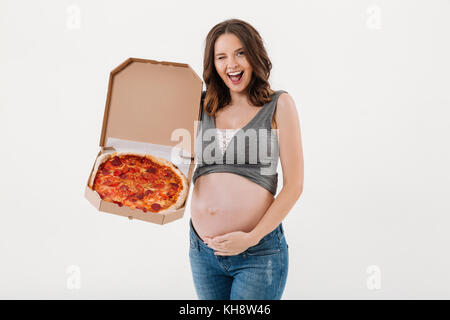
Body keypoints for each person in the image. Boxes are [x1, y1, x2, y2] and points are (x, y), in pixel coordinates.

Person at [189, 18, 304, 300]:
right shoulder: (199, 104)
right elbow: (165, 154)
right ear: (212, 64)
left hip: (258, 254)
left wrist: (251, 238)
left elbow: (294, 186)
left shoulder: (279, 105)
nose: (232, 64)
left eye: (240, 53)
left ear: (254, 55)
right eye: (221, 57)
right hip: (203, 253)